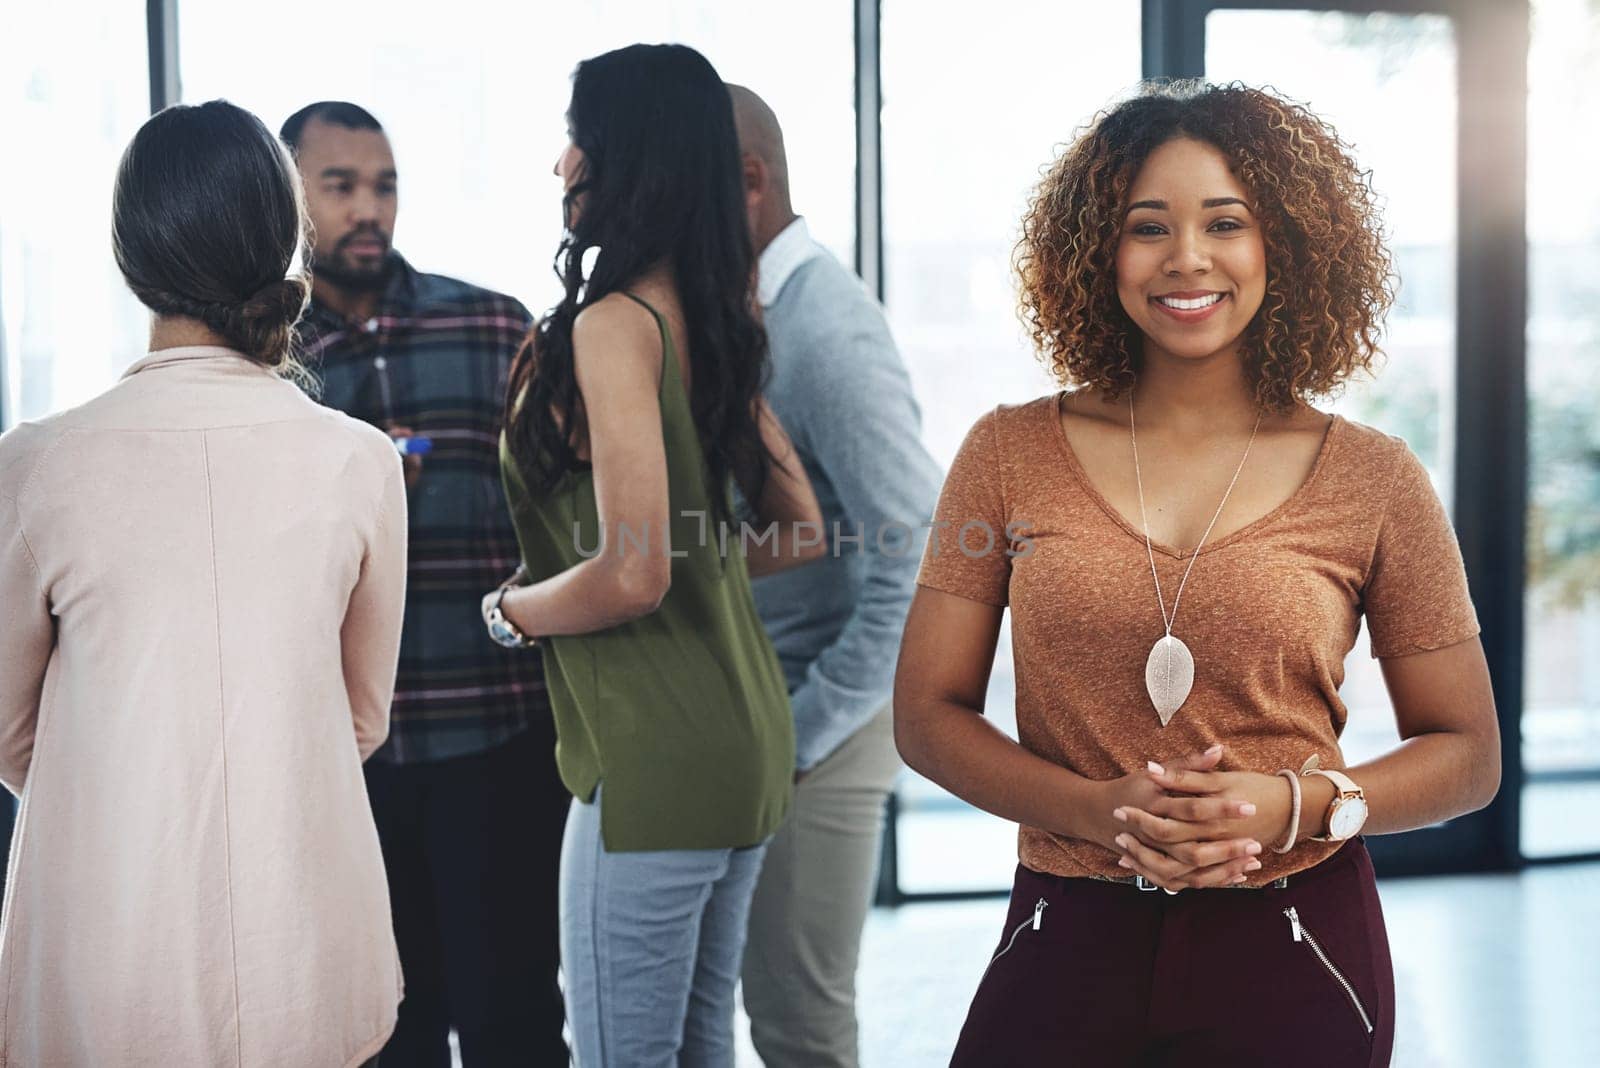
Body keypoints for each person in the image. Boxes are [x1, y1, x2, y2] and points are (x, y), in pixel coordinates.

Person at [894, 81, 1500, 1067]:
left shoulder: (1374, 477)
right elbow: (926, 713)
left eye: (1227, 221)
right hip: (1063, 930)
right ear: (1097, 250)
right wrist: (1095, 810)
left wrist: (1295, 805)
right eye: (1147, 226)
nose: (1187, 258)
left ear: (1289, 245)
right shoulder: (1005, 455)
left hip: (1297, 943)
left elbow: (1467, 754)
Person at [0, 100, 404, 1067]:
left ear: (130, 252)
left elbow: (12, 731)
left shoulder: (37, 465)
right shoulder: (360, 461)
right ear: (286, 241)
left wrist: (126, 783)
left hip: (103, 939)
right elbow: (361, 714)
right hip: (305, 924)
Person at [489, 44, 824, 1068]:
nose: (562, 165)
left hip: (654, 757)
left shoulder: (612, 326)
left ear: (621, 157)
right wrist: (700, 569)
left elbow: (633, 574)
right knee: (694, 1048)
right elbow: (799, 528)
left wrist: (514, 612)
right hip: (746, 743)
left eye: (579, 139)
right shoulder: (717, 313)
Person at [280, 101, 567, 1067]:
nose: (369, 208)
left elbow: (566, 516)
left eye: (385, 184)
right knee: (382, 1029)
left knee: (518, 1020)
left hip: (499, 737)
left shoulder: (492, 327)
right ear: (290, 199)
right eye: (341, 186)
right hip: (346, 760)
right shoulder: (264, 367)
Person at [726, 84, 941, 1068]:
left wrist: (801, 733)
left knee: (799, 1025)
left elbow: (921, 553)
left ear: (749, 184)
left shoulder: (825, 327)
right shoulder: (750, 311)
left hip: (825, 724)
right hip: (776, 708)